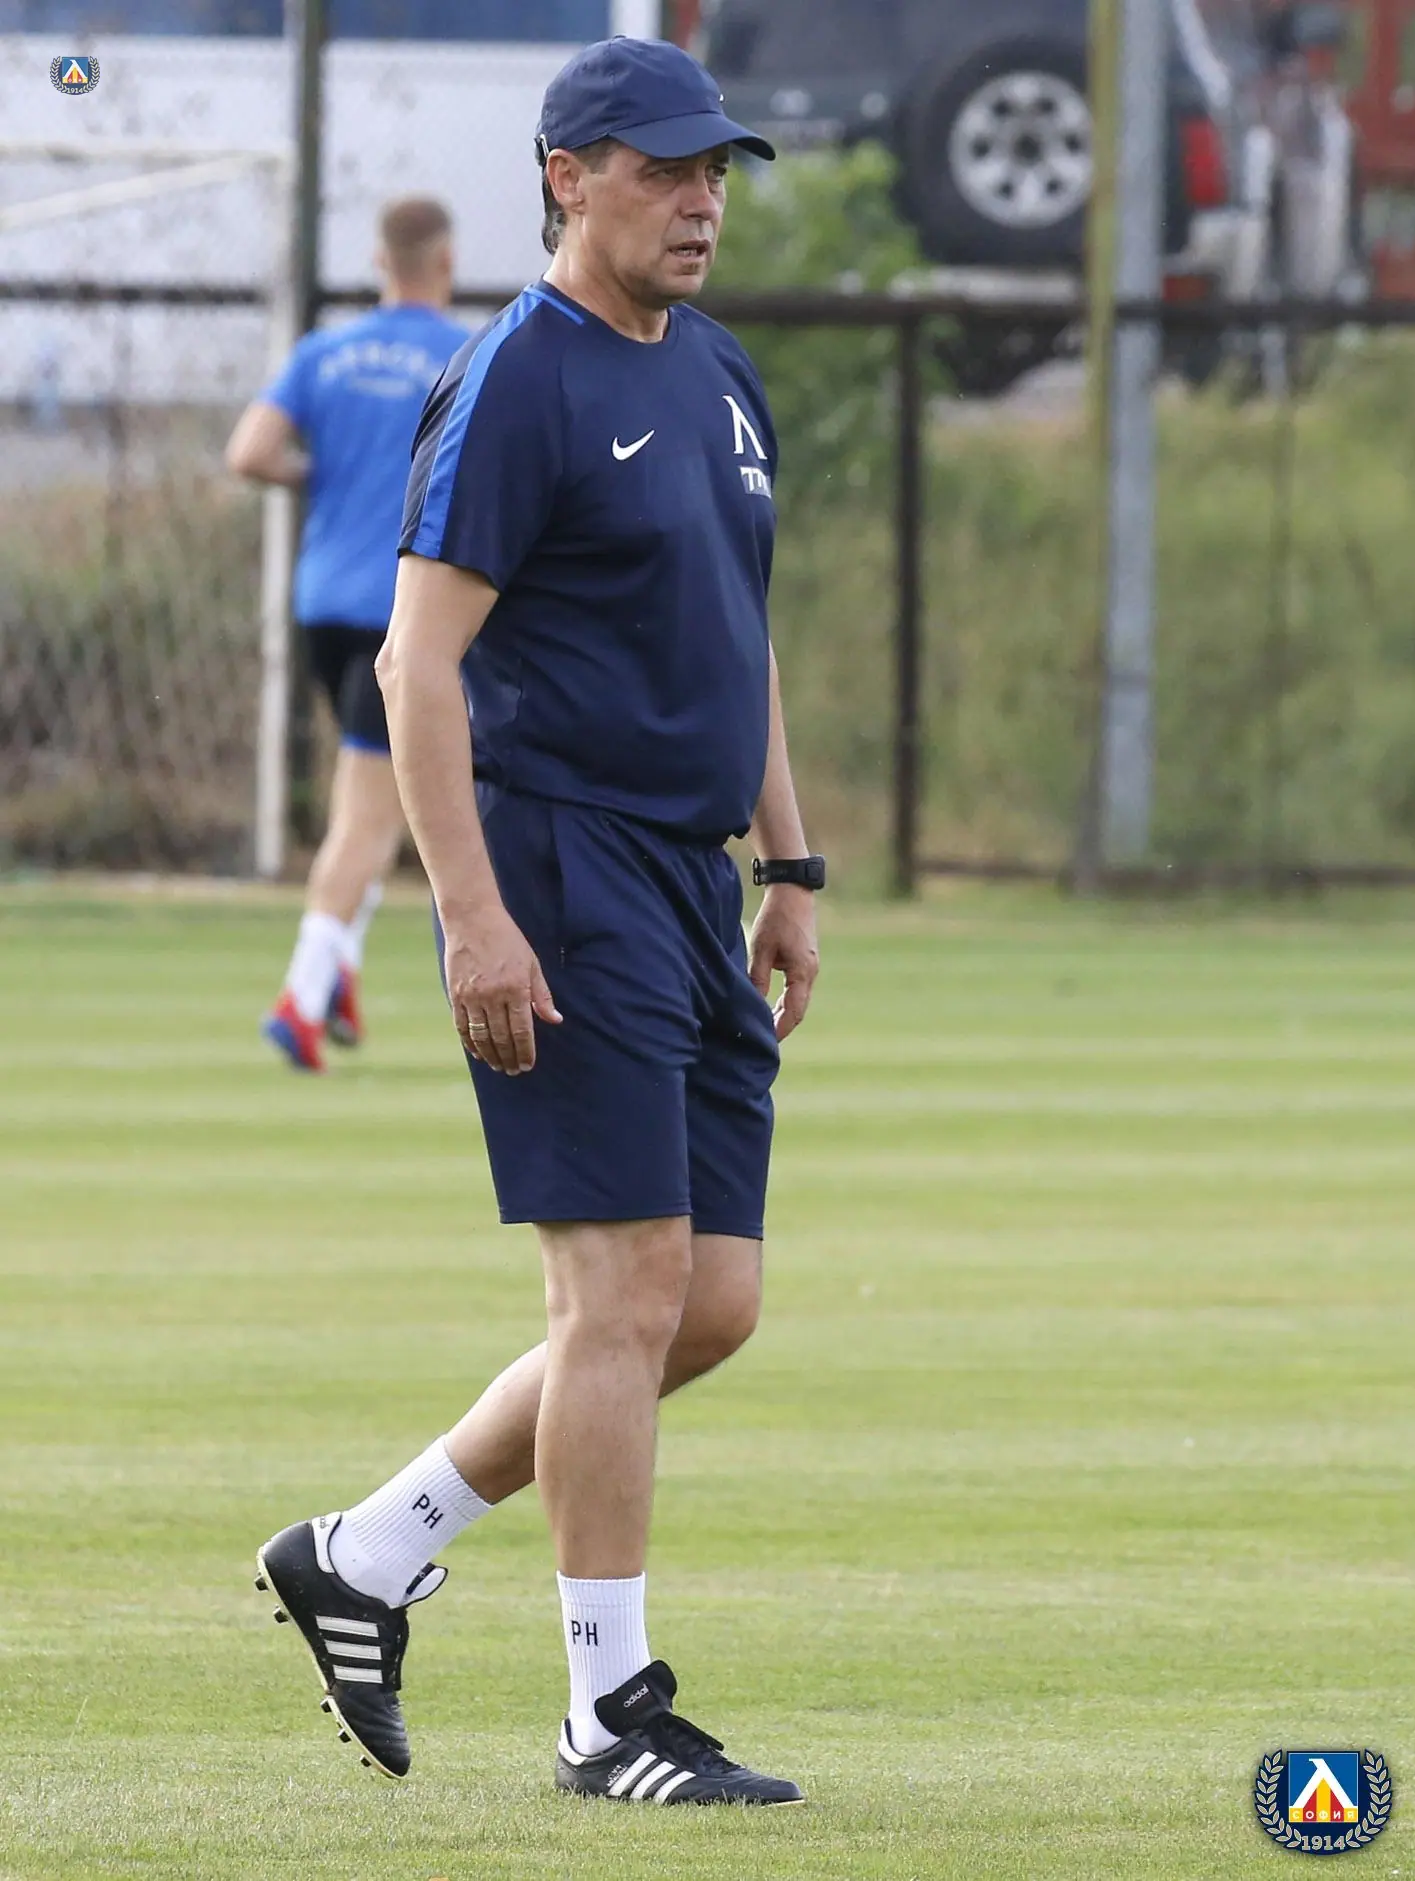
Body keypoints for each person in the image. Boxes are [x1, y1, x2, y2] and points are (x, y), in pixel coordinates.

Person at [254, 38, 824, 1806]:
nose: (700, 200)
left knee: (704, 1304)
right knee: (620, 1289)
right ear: (567, 177)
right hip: (560, 866)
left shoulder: (718, 371)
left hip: (692, 878)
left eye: (714, 170)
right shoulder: (515, 375)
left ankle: (367, 1552)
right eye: (663, 168)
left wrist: (790, 867)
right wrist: (471, 916)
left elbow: (740, 636)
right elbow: (413, 665)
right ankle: (607, 1712)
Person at [226, 197, 469, 1072]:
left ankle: (341, 979)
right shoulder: (464, 355)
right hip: (402, 610)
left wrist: (321, 475)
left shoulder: (324, 352)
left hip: (322, 604)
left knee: (380, 794)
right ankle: (300, 996)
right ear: (446, 263)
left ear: (380, 263)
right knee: (371, 815)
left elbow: (250, 452)